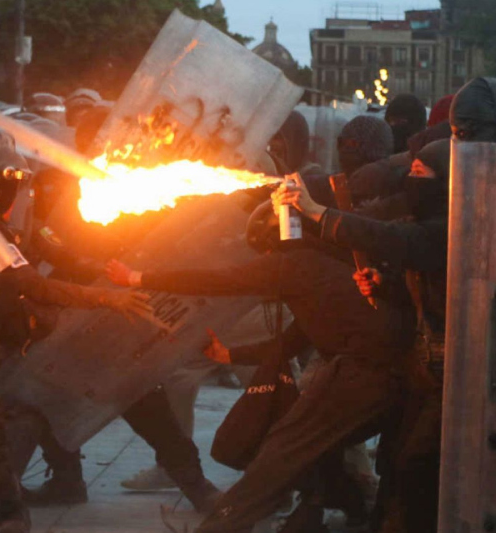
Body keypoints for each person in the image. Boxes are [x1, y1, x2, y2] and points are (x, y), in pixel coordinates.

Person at [107, 202, 417, 533]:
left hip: (366, 373)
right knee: (315, 446)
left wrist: (138, 277)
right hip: (397, 374)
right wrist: (231, 355)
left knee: (282, 449)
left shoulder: (294, 264)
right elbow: (289, 342)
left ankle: (222, 527)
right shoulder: (325, 267)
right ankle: (341, 509)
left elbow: (219, 281)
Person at [0, 136, 157, 533]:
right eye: (12, 185)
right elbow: (34, 286)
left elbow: (44, 261)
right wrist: (106, 298)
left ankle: (8, 515)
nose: (17, 194)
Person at [273, 138, 452, 533]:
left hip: (451, 373)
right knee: (395, 460)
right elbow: (414, 279)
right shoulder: (426, 223)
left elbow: (395, 241)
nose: (411, 179)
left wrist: (317, 212)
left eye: (421, 174)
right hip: (421, 369)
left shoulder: (447, 228)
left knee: (415, 464)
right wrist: (384, 283)